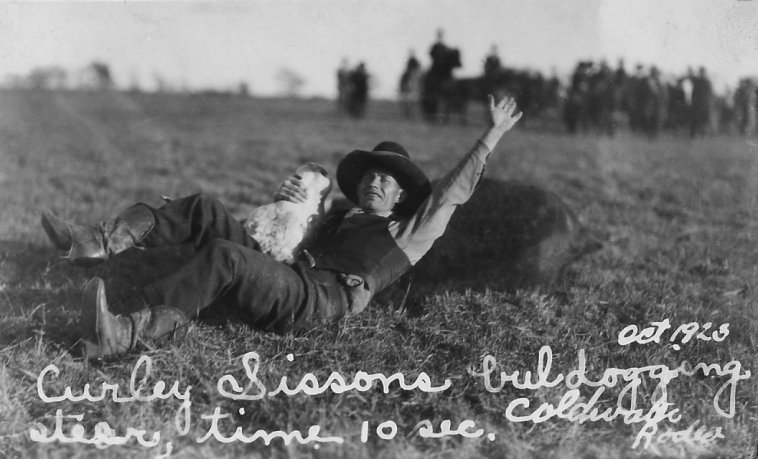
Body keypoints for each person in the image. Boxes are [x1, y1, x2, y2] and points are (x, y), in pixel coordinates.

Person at [41, 96, 523, 360]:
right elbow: (283, 240)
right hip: (291, 276)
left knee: (226, 258)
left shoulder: (410, 231)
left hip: (322, 302)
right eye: (372, 175)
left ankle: (124, 335)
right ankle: (95, 243)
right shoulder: (342, 217)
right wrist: (290, 201)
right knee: (206, 208)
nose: (377, 182)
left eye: (388, 180)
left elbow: (451, 192)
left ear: (401, 195)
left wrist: (492, 134)